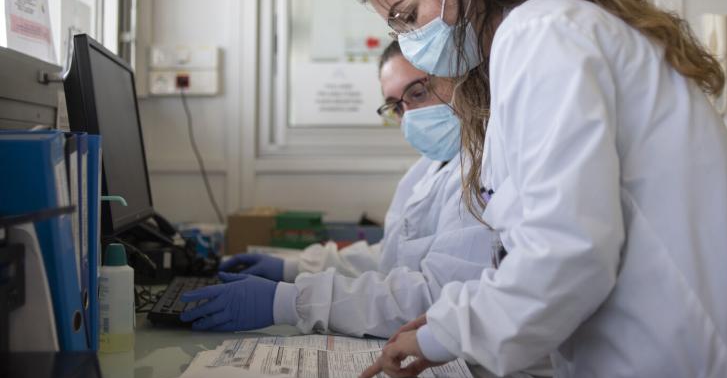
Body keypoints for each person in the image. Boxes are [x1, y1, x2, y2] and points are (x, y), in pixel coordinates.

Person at [353, 0, 727, 378]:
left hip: (675, 376)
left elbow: (566, 252)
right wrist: (453, 318)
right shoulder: (525, 47)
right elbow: (538, 243)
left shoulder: (543, 35)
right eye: (396, 27)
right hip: (628, 370)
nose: (409, 41)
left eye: (409, 15)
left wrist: (440, 335)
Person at [178, 41, 498, 339]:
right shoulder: (428, 169)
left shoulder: (484, 169)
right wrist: (293, 267)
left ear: (458, 79)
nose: (409, 115)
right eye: (396, 107)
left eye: (417, 93)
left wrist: (289, 301)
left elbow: (434, 299)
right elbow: (391, 258)